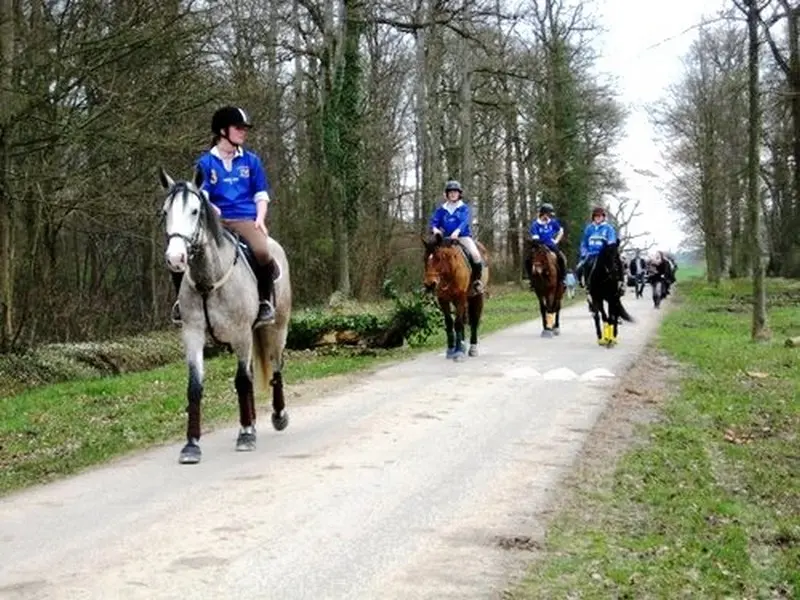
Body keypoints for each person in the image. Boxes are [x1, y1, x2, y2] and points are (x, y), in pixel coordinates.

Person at [170, 105, 277, 327]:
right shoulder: (205, 163)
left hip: (244, 219)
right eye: (238, 128)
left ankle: (265, 301)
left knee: (262, 251)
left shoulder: (251, 161)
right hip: (214, 222)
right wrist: (211, 208)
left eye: (244, 128)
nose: (243, 132)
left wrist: (260, 218)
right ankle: (181, 303)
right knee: (181, 251)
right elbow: (201, 193)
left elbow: (261, 195)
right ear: (222, 131)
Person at [429, 180, 484, 293]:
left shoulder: (463, 207)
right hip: (446, 239)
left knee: (476, 255)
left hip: (463, 237)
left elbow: (464, 222)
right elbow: (434, 222)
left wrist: (457, 231)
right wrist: (435, 229)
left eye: (455, 192)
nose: (453, 194)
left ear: (459, 194)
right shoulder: (441, 209)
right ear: (447, 194)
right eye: (450, 192)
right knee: (431, 256)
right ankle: (430, 282)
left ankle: (476, 282)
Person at [574, 205, 625, 293]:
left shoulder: (608, 228)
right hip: (591, 254)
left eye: (600, 216)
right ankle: (586, 285)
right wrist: (584, 253)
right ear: (593, 217)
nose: (598, 217)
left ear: (603, 217)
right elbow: (584, 243)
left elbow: (611, 240)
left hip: (604, 254)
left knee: (619, 262)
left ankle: (621, 283)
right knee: (580, 267)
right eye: (596, 216)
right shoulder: (589, 228)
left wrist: (608, 249)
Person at [524, 202, 567, 290]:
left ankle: (562, 279)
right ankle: (532, 281)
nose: (550, 216)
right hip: (538, 246)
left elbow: (561, 231)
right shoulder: (535, 224)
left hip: (551, 245)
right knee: (528, 260)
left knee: (561, 258)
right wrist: (540, 243)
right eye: (548, 214)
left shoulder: (552, 222)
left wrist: (556, 241)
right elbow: (536, 238)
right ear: (543, 214)